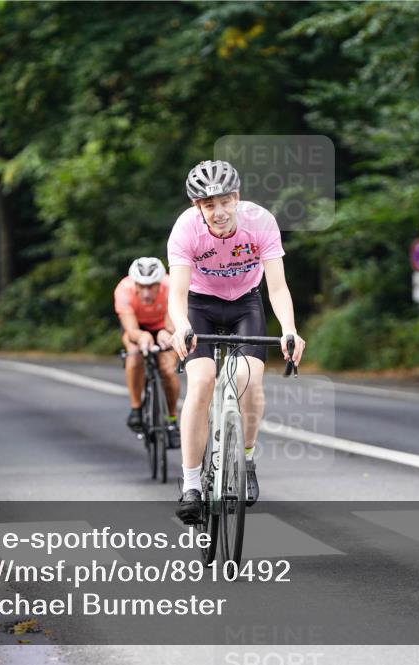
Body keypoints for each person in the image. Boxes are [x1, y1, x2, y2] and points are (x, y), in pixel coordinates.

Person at [167, 159, 306, 524]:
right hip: (200, 305)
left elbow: (277, 286)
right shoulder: (185, 230)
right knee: (201, 382)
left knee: (249, 381)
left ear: (237, 198)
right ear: (198, 207)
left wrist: (289, 329)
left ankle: (245, 458)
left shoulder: (260, 222)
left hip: (246, 303)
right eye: (208, 205)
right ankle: (192, 485)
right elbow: (177, 294)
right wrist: (181, 325)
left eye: (224, 201)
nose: (218, 211)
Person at [115, 257, 180, 446]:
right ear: (134, 283)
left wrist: (166, 333)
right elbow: (131, 329)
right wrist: (142, 337)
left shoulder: (171, 286)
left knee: (167, 369)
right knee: (134, 356)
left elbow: (173, 322)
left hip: (164, 327)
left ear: (160, 283)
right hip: (137, 327)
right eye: (141, 286)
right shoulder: (123, 290)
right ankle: (136, 409)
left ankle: (172, 421)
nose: (146, 292)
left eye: (151, 286)